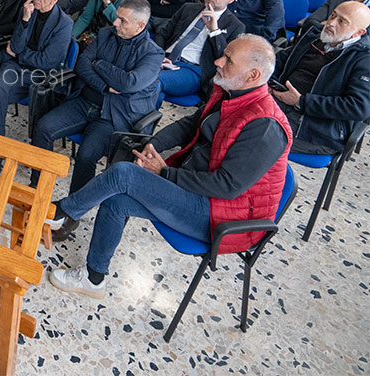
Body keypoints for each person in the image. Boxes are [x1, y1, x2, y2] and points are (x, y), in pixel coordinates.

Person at [46, 35, 291, 299]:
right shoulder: (231, 93)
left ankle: (61, 212)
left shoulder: (266, 125)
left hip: (222, 216)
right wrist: (153, 145)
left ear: (253, 75)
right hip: (201, 191)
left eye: (228, 60)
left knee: (123, 173)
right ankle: (94, 279)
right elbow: (190, 125)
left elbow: (227, 187)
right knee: (116, 200)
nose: (218, 61)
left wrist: (165, 173)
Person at [30, 0, 162, 197]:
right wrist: (106, 86)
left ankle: (70, 210)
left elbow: (128, 83)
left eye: (122, 20)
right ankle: (36, 186)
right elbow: (82, 64)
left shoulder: (152, 54)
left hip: (113, 116)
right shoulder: (105, 33)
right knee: (44, 127)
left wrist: (98, 63)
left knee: (86, 155)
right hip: (85, 101)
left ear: (140, 26)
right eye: (117, 17)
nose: (115, 23)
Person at [0, 0, 74, 144]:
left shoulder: (64, 23)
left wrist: (19, 55)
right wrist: (24, 20)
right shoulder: (29, 11)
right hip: (15, 67)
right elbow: (15, 46)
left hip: (39, 75)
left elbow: (47, 62)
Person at [271, 1, 370, 155]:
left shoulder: (364, 60)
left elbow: (358, 107)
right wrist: (268, 82)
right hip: (280, 101)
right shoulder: (314, 38)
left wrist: (301, 102)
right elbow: (280, 61)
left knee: (253, 134)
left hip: (317, 130)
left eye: (341, 21)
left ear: (359, 32)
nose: (331, 23)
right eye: (333, 15)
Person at [153, 0, 245, 101]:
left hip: (193, 69)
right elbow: (163, 34)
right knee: (152, 88)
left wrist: (214, 31)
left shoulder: (235, 26)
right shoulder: (188, 8)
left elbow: (225, 59)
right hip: (166, 59)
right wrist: (158, 55)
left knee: (153, 80)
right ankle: (143, 120)